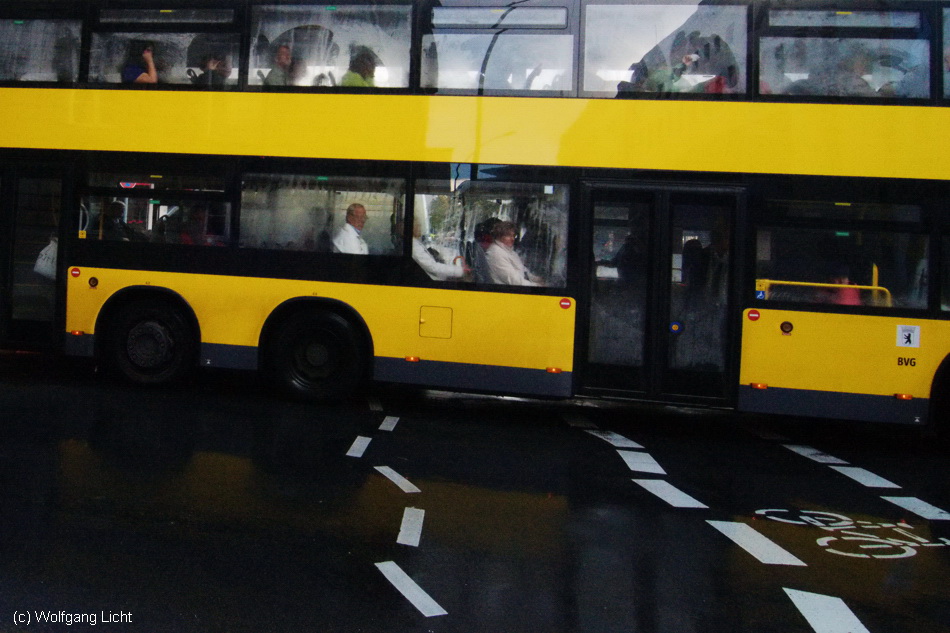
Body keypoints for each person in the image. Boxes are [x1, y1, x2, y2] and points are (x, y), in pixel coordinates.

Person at [485, 221, 542, 286]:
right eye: (508, 235)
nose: (512, 238)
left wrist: (537, 279)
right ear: (499, 236)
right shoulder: (496, 253)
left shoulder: (509, 251)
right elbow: (515, 281)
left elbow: (523, 270)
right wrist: (539, 286)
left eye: (513, 235)